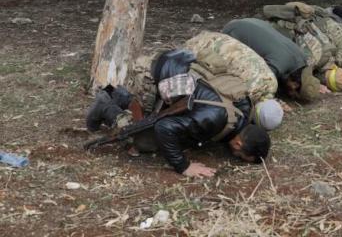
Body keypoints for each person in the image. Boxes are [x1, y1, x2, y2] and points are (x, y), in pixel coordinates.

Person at [86, 49, 276, 177]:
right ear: (239, 142)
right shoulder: (214, 119)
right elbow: (164, 127)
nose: (234, 156)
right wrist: (183, 166)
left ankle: (117, 93)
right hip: (154, 74)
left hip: (178, 67)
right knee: (142, 140)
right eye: (239, 155)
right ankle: (106, 107)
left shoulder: (244, 111)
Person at [223, 18, 322, 101]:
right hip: (232, 31)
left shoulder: (303, 57)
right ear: (295, 85)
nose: (290, 95)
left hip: (252, 21)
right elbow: (260, 82)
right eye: (293, 94)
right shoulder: (280, 64)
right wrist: (274, 99)